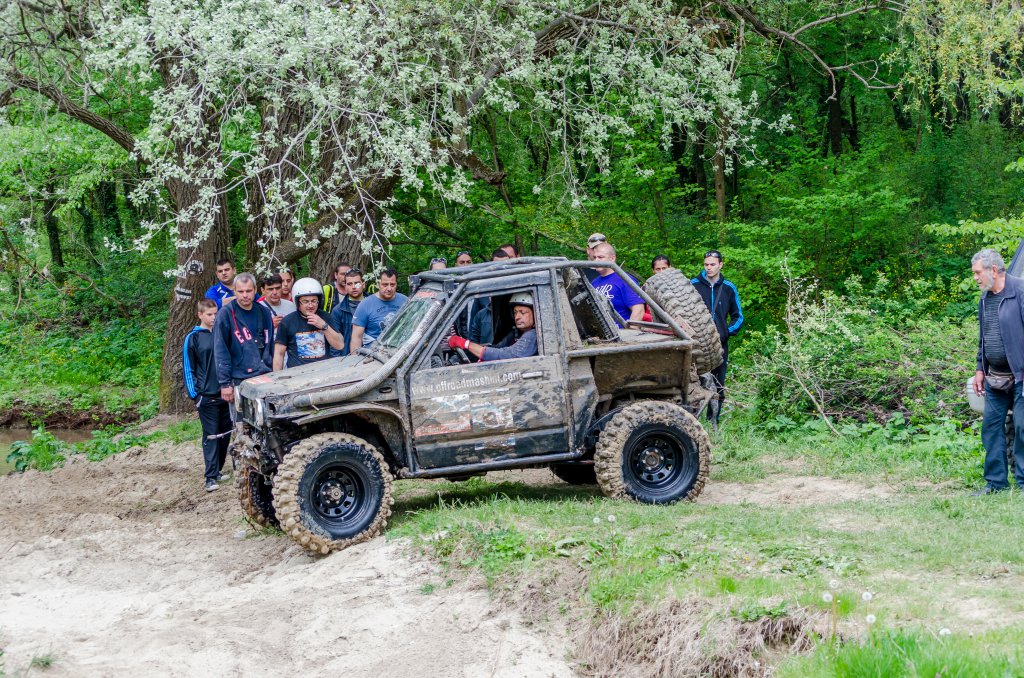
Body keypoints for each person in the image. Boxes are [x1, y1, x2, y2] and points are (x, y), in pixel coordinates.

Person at [971, 248, 1024, 494]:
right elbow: (983, 338)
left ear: (993, 270)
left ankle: (1023, 481)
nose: (975, 277)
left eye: (977, 272)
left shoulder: (1019, 292)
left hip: (1021, 376)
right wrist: (980, 369)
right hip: (995, 377)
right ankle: (996, 482)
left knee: (1022, 428)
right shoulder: (984, 298)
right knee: (991, 429)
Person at [183, 298, 232, 492]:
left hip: (226, 393)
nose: (213, 317)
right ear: (200, 315)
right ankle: (210, 477)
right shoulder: (193, 337)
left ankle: (218, 469)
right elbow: (188, 367)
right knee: (211, 435)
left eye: (215, 313)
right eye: (209, 314)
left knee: (225, 433)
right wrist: (196, 395)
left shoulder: (222, 332)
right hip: (206, 395)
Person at [691, 249, 744, 427]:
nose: (709, 268)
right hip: (697, 345)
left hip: (720, 345)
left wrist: (726, 332)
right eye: (706, 264)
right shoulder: (693, 285)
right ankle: (693, 423)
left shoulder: (728, 287)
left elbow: (738, 316)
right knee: (694, 384)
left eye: (713, 264)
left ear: (720, 265)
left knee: (718, 384)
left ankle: (713, 422)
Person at [213, 272, 274, 413]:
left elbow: (270, 345)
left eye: (248, 291)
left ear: (255, 290)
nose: (245, 295)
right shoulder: (225, 314)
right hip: (238, 378)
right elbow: (220, 350)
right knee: (242, 421)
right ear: (234, 291)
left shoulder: (264, 312)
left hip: (264, 375)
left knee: (266, 417)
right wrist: (225, 383)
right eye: (240, 291)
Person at [274, 277, 345, 370]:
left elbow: (340, 345)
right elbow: (279, 354)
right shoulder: (287, 322)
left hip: (324, 371)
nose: (310, 305)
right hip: (297, 373)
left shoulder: (326, 317)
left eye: (314, 301)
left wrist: (324, 326)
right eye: (305, 301)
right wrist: (277, 377)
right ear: (298, 302)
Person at [449, 292, 537, 361]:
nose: (517, 317)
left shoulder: (533, 335)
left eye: (522, 312)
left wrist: (466, 344)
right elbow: (497, 348)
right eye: (515, 312)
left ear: (534, 313)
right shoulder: (515, 334)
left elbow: (504, 355)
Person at [350, 267, 408, 351]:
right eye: (385, 284)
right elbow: (356, 337)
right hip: (373, 354)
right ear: (378, 284)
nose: (389, 288)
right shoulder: (365, 304)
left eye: (392, 284)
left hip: (399, 350)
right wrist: (354, 358)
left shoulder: (405, 301)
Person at [590, 243, 644, 323]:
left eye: (600, 257)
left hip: (620, 329)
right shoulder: (594, 283)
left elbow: (638, 310)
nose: (596, 260)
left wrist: (631, 329)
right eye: (594, 257)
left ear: (612, 258)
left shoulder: (624, 279)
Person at [328, 268, 366, 357]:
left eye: (357, 283)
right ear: (345, 286)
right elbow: (335, 342)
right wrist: (338, 362)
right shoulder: (338, 311)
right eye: (349, 284)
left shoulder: (373, 304)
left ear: (363, 284)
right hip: (348, 357)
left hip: (373, 355)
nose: (353, 287)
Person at [258, 273, 296, 341]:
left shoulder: (291, 306)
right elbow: (252, 336)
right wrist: (270, 325)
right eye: (270, 289)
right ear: (262, 290)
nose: (275, 292)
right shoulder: (257, 309)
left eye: (278, 288)